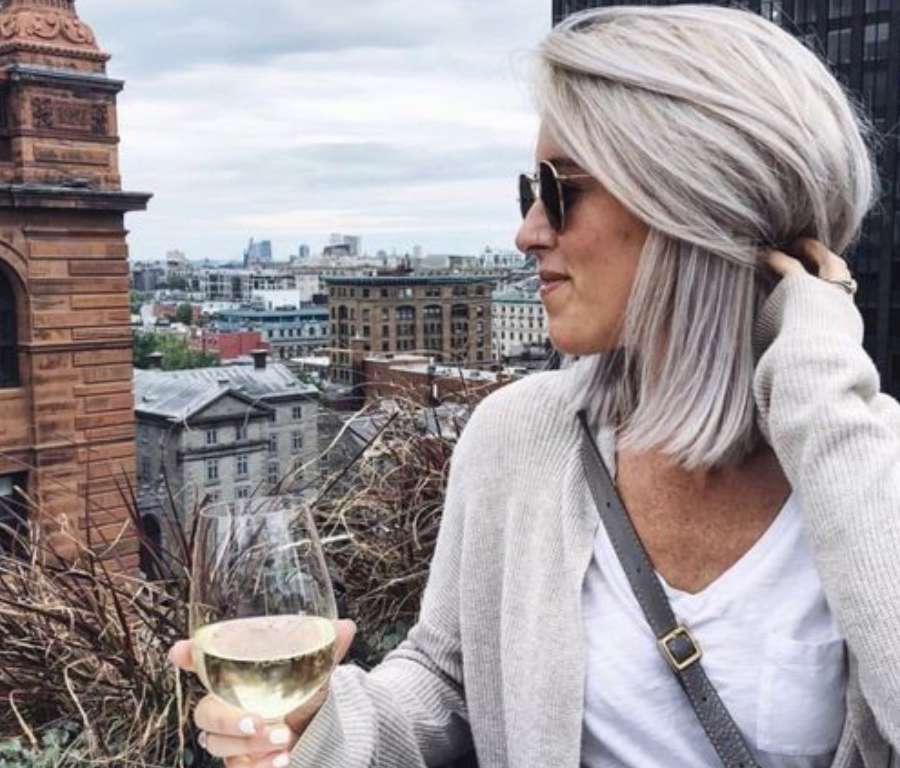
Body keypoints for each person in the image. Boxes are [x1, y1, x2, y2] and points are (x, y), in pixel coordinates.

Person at [168, 5, 900, 767]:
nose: (527, 231)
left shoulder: (864, 466)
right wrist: (324, 725)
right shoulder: (519, 433)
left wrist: (817, 393)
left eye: (557, 188)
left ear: (693, 203)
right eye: (529, 190)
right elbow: (448, 680)